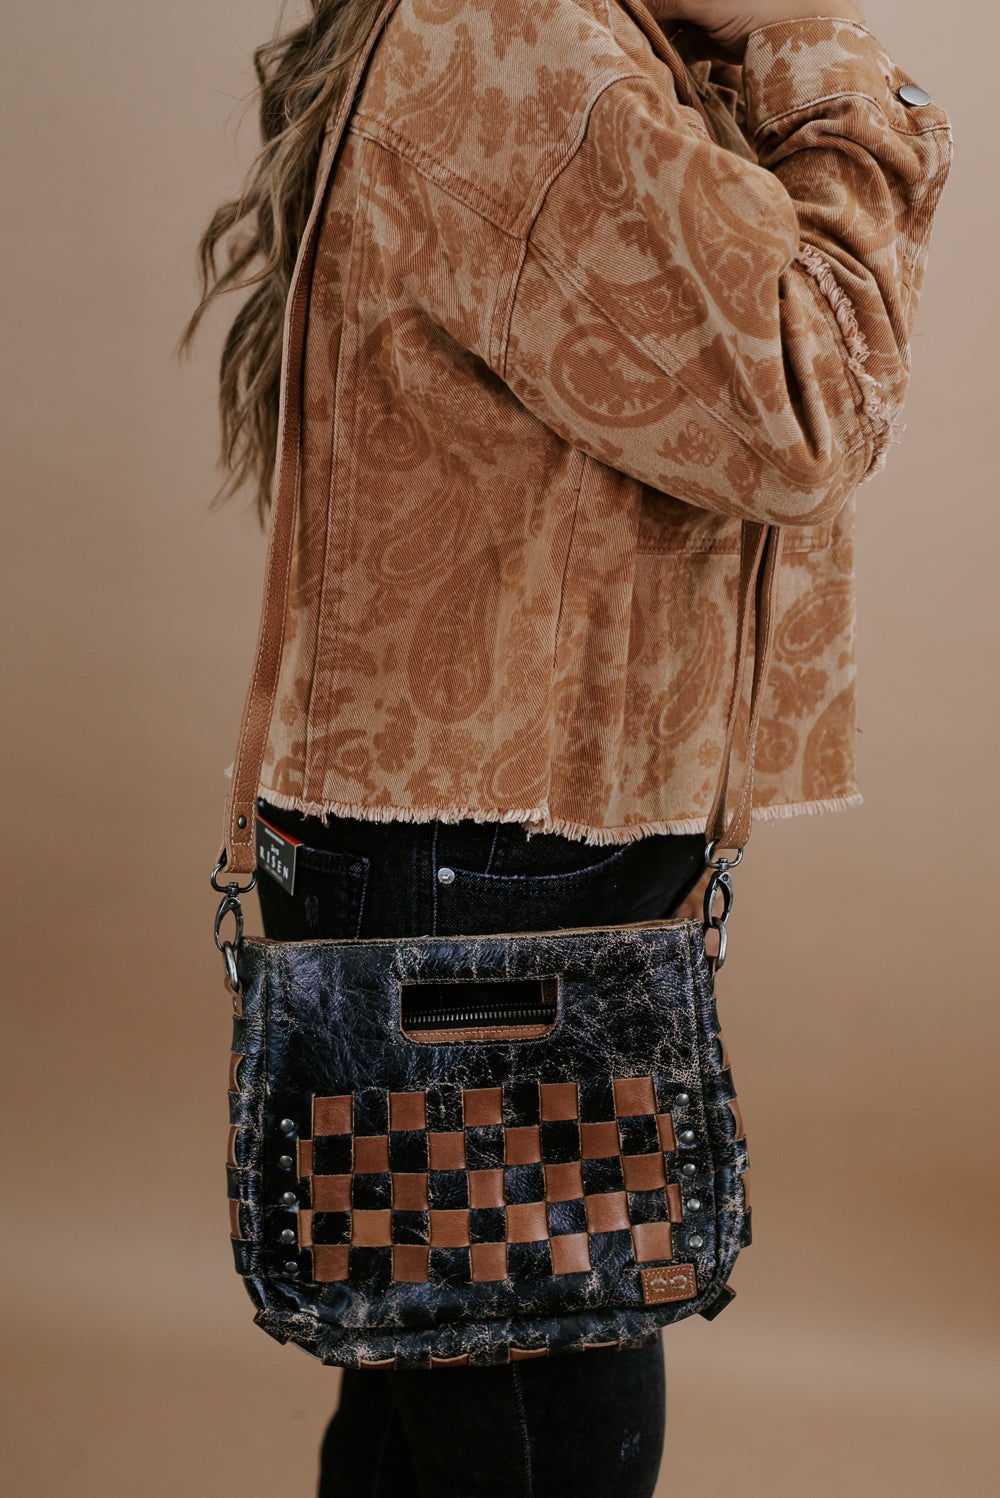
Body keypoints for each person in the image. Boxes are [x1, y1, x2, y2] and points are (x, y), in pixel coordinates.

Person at [186, 0, 951, 1491]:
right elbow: (810, 396)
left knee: (434, 1427)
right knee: (543, 1447)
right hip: (481, 890)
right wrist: (810, 43)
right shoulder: (534, 41)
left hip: (471, 869)